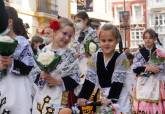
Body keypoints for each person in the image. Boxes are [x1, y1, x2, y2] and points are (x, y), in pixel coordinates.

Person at [77, 23, 131, 114]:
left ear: (117, 40)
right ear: (99, 41)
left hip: (119, 96)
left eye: (110, 40)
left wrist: (111, 99)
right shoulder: (94, 58)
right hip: (103, 97)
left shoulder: (122, 58)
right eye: (103, 40)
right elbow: (90, 79)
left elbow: (118, 82)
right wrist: (83, 96)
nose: (106, 43)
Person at [31, 18, 80, 114]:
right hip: (41, 95)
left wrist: (58, 82)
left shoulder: (71, 54)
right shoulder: (44, 50)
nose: (67, 38)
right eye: (64, 33)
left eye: (70, 36)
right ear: (55, 31)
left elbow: (76, 78)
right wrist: (42, 76)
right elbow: (34, 73)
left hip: (61, 96)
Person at [0, 6, 34, 114]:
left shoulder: (22, 42)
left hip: (18, 90)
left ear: (9, 22)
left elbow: (29, 67)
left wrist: (12, 63)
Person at [132, 29, 165, 114]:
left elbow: (162, 67)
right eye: (145, 38)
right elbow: (135, 68)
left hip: (156, 83)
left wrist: (156, 69)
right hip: (142, 84)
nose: (148, 40)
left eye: (150, 38)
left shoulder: (160, 53)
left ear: (154, 39)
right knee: (143, 107)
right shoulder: (138, 53)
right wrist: (146, 68)